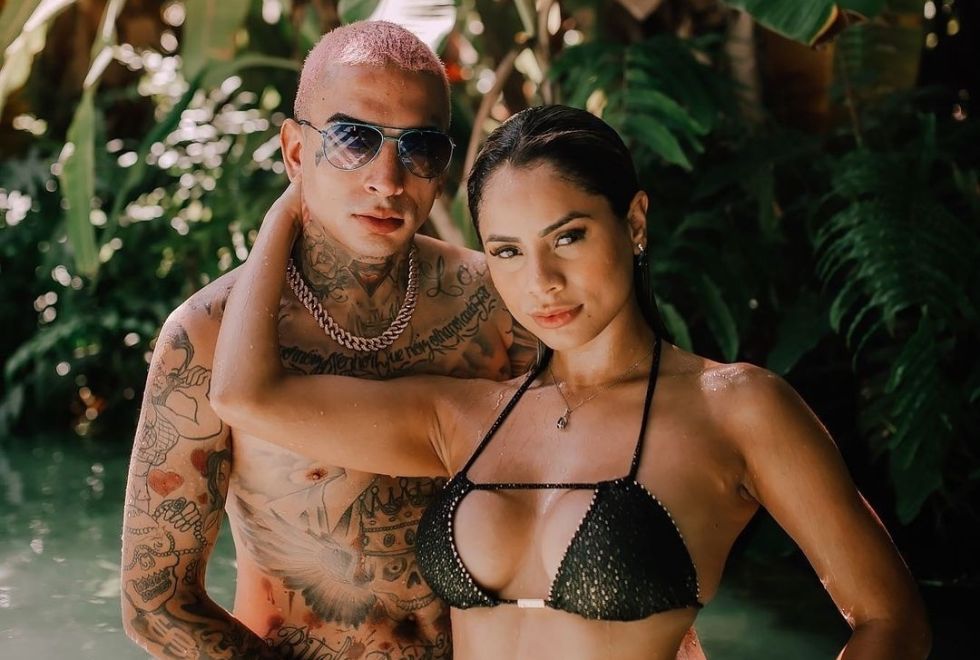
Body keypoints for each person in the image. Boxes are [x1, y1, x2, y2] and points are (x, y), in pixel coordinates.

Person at [210, 104, 932, 660]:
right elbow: (245, 395)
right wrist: (295, 199)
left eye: (569, 236)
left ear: (635, 222)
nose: (542, 281)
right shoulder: (462, 417)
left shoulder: (737, 408)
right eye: (507, 251)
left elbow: (890, 621)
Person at [120, 21, 538, 659]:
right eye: (352, 140)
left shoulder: (498, 305)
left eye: (421, 147)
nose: (388, 180)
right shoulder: (206, 337)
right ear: (295, 152)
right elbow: (156, 603)